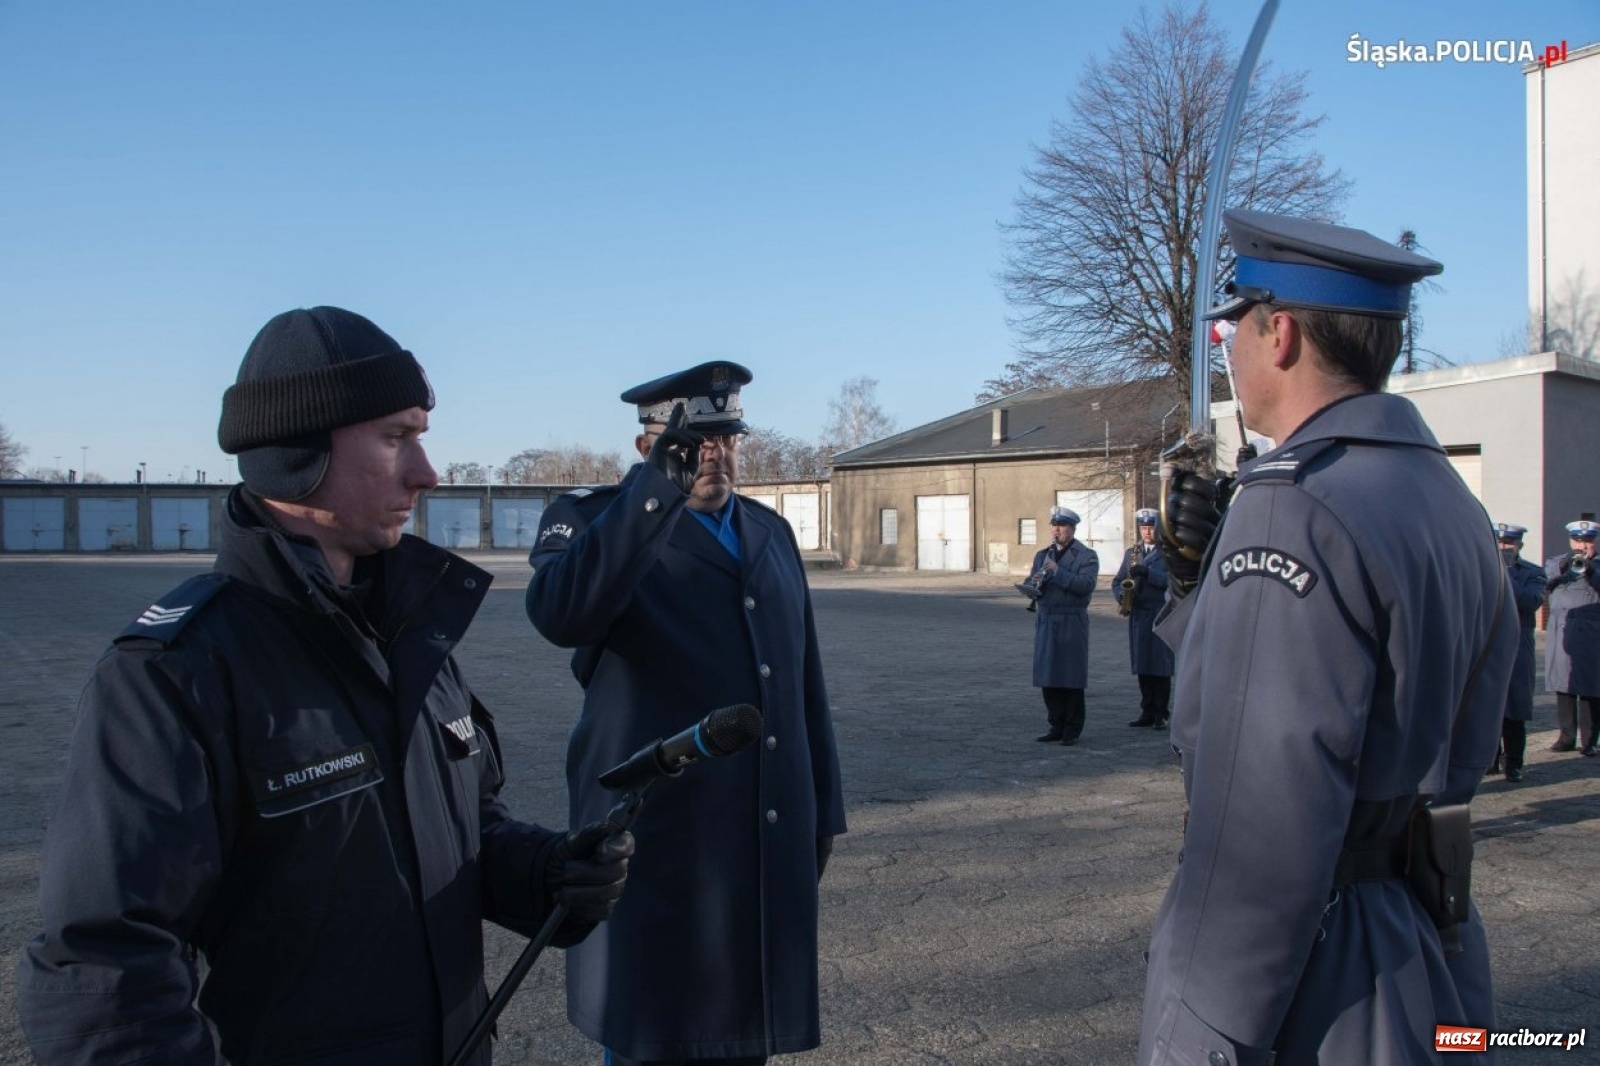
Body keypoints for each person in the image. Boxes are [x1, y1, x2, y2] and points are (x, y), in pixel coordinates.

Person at [15, 307, 633, 1066]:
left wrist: (543, 872)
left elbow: (461, 827)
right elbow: (104, 966)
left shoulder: (410, 634)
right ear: (296, 452)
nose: (427, 473)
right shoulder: (176, 673)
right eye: (396, 437)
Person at [1141, 210, 1518, 1064]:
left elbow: (1260, 834)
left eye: (1234, 325)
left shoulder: (1293, 506)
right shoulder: (1451, 501)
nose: (1227, 347)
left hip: (1327, 975)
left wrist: (1196, 1038)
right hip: (1429, 933)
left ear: (1279, 336)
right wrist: (1199, 586)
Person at [524, 361, 847, 1066]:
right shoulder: (593, 520)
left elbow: (803, 683)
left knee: (744, 1029)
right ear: (647, 447)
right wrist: (651, 498)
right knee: (654, 1030)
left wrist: (821, 809)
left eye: (727, 439)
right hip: (658, 834)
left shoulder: (768, 531)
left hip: (759, 826)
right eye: (694, 443)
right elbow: (559, 614)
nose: (714, 457)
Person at [1028, 506, 1099, 745]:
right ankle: (1055, 724)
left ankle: (1072, 727)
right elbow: (1031, 580)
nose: (1056, 530)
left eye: (1061, 526)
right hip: (1047, 618)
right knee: (1048, 675)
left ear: (1072, 528)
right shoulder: (1042, 555)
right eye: (1054, 526)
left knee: (1070, 675)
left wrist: (1058, 572)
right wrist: (1032, 584)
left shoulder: (1087, 556)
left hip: (1071, 619)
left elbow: (1085, 586)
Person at [1489, 524, 1546, 782]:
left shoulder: (1532, 572)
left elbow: (1530, 602)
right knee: (1487, 707)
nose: (1504, 548)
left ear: (1519, 546)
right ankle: (1489, 760)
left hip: (1517, 647)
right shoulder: (1483, 568)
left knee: (1514, 708)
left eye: (1509, 544)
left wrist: (1506, 572)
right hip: (1489, 646)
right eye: (1500, 544)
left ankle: (1514, 763)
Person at [1542, 518, 1600, 756]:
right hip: (1562, 632)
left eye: (1588, 541)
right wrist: (1564, 566)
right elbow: (1545, 581)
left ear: (1595, 542)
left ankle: (1589, 740)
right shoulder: (1556, 562)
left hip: (1592, 635)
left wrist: (1591, 570)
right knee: (1563, 685)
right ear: (1570, 541)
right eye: (1578, 540)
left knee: (1590, 687)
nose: (1582, 546)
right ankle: (1566, 737)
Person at [1112, 507, 1173, 730]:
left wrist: (1148, 573)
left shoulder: (1169, 552)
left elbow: (1173, 581)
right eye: (1143, 527)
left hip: (1159, 612)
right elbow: (1118, 580)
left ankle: (1161, 713)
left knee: (1160, 665)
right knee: (1143, 664)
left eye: (1151, 527)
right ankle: (1147, 710)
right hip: (1138, 613)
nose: (1147, 532)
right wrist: (1123, 596)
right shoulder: (1132, 552)